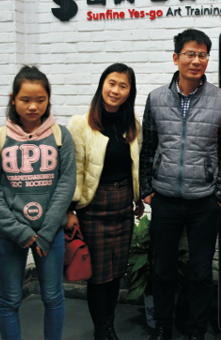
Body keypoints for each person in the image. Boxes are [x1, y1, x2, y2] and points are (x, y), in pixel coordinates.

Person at [140, 29, 221, 340]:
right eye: (190, 54)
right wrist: (147, 189)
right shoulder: (156, 98)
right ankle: (163, 326)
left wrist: (220, 195)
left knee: (200, 272)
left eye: (202, 55)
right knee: (162, 270)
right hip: (165, 199)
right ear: (176, 58)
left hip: (204, 202)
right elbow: (148, 147)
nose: (196, 61)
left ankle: (197, 329)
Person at [0, 65, 76, 340]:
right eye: (25, 99)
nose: (33, 106)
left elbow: (66, 184)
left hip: (50, 234)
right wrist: (17, 230)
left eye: (40, 100)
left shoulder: (60, 135)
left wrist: (47, 231)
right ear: (13, 99)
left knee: (53, 297)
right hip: (9, 235)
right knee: (9, 300)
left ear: (48, 100)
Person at [66, 63, 144, 340]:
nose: (116, 90)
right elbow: (72, 171)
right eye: (112, 83)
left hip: (123, 205)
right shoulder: (80, 124)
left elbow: (136, 166)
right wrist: (70, 210)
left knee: (116, 273)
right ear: (102, 85)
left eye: (123, 86)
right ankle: (102, 331)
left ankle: (109, 325)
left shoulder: (133, 124)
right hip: (93, 207)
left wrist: (138, 198)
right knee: (99, 274)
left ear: (130, 92)